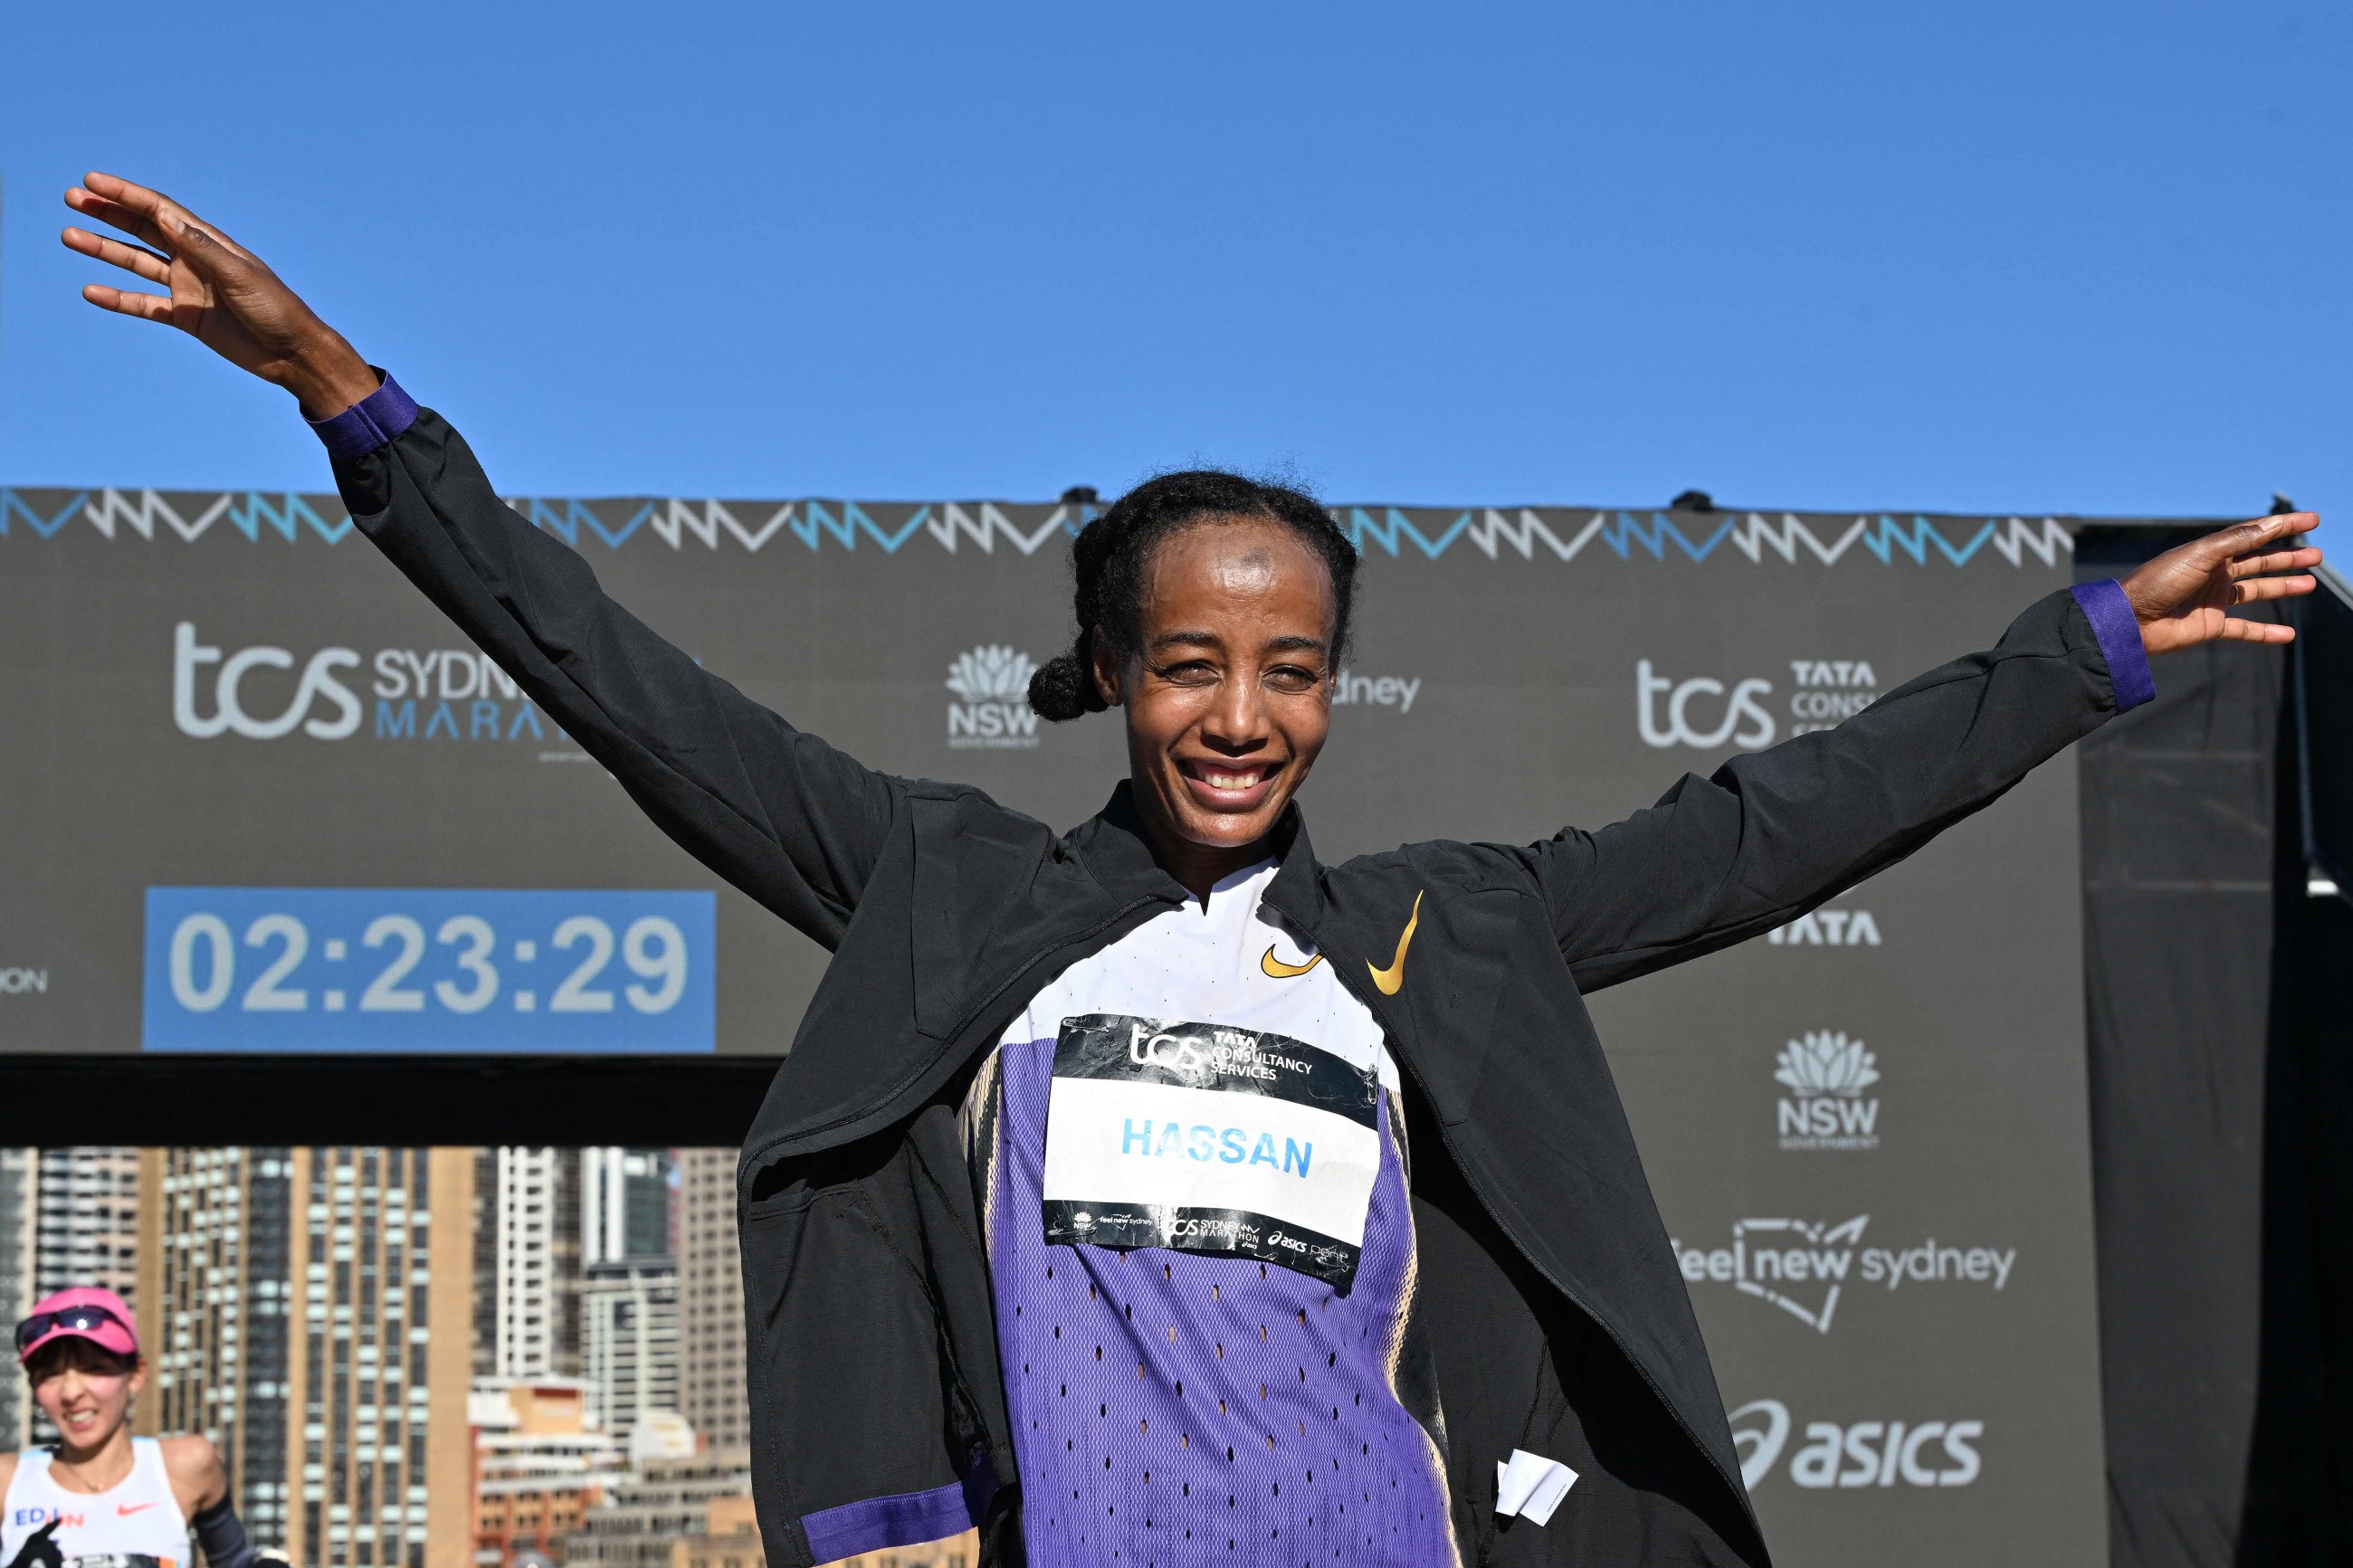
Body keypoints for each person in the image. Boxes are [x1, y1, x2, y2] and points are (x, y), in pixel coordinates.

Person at [59, 171, 2322, 1568]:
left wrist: (2085, 650)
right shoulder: (948, 890)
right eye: (1187, 666)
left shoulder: (1443, 926)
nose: (1241, 715)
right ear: (1113, 677)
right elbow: (624, 684)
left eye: (1292, 668)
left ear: (1332, 686)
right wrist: (343, 392)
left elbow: (1776, 823)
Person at [0, 1289, 260, 1568]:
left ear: (136, 1374)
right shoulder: (7, 1482)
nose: (71, 1392)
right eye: (50, 1375)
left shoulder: (187, 1466)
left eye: (94, 1369)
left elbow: (238, 1562)